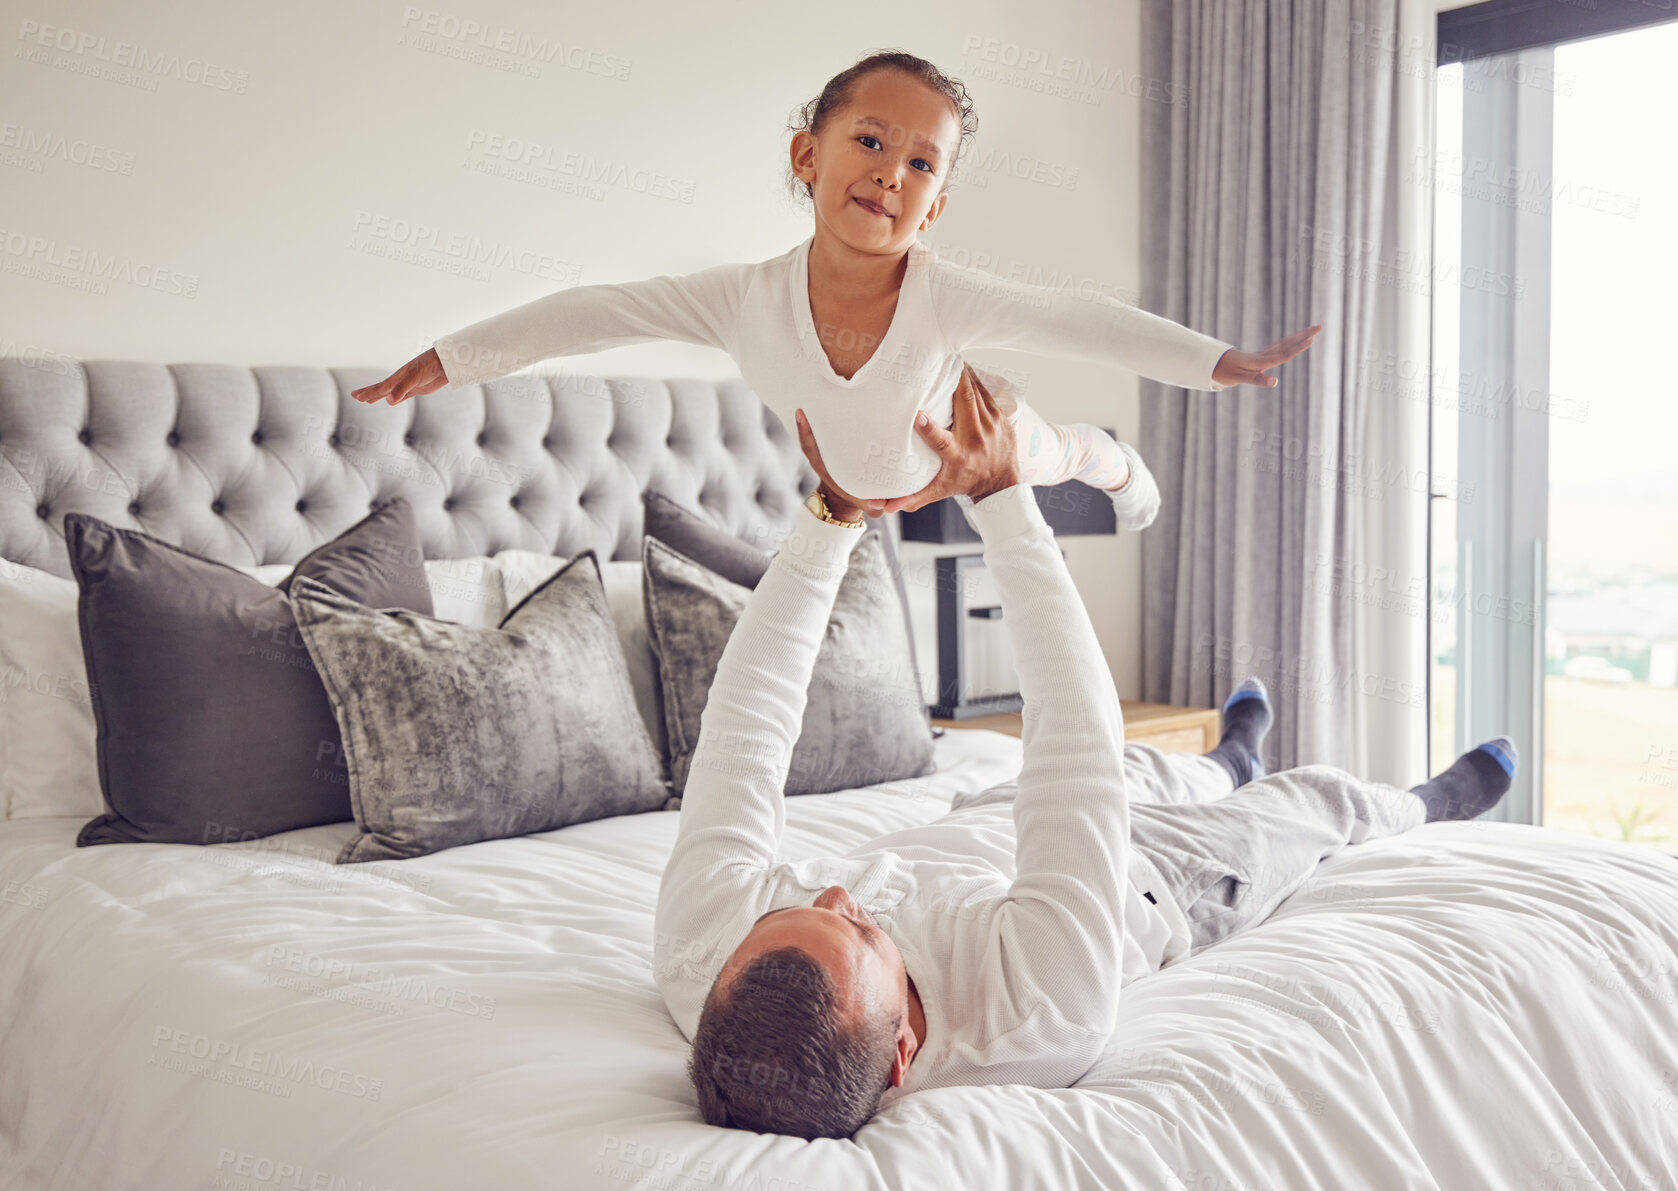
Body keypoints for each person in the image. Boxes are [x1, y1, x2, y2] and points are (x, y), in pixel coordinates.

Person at [652, 365, 1517, 1140]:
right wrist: (1001, 496)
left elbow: (747, 725)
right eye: (857, 926)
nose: (836, 891)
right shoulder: (1036, 1012)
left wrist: (830, 513)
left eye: (795, 910)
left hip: (982, 832)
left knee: (1160, 769)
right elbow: (1077, 734)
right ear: (902, 1054)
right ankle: (1422, 800)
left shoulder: (702, 952)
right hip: (1151, 884)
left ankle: (1224, 758)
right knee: (1304, 803)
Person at [346, 49, 1321, 523]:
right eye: (868, 142)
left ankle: (1113, 462)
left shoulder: (947, 295)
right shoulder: (738, 299)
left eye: (920, 166)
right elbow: (598, 312)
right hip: (859, 496)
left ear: (932, 210)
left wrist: (1214, 361)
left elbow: (1079, 319)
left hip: (973, 437)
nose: (890, 174)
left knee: (1051, 451)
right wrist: (454, 355)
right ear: (807, 156)